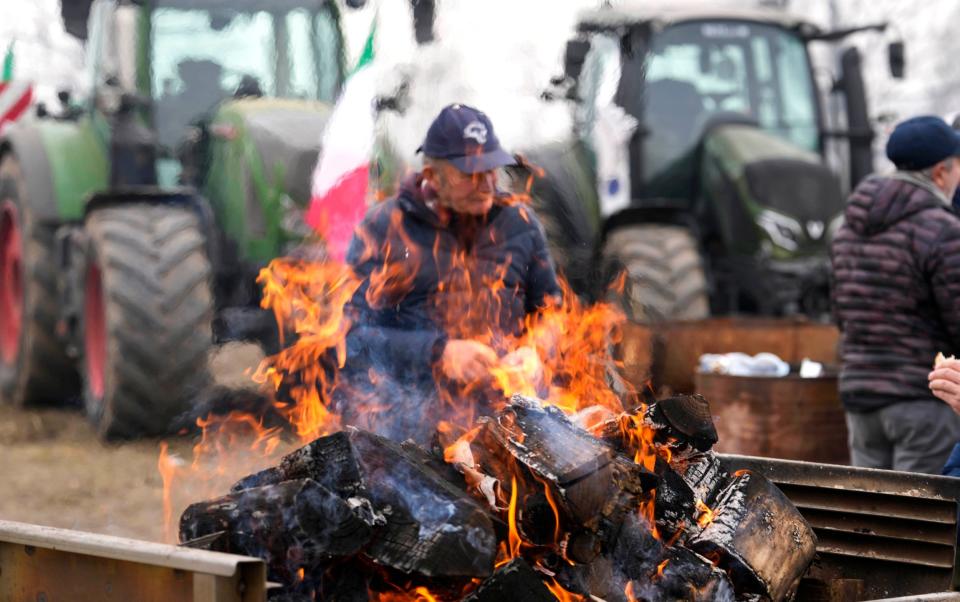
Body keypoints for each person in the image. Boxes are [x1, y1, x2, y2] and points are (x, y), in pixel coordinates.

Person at [336, 103, 561, 443]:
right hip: (409, 429)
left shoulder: (521, 223)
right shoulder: (383, 227)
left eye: (492, 170)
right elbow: (351, 338)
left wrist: (536, 351)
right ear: (432, 175)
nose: (486, 184)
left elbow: (550, 312)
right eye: (470, 174)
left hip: (507, 424)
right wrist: (438, 352)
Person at [831, 115, 960, 474]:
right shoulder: (943, 230)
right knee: (918, 522)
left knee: (870, 520)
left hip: (860, 398)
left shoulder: (848, 228)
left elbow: (841, 313)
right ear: (940, 172)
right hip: (923, 401)